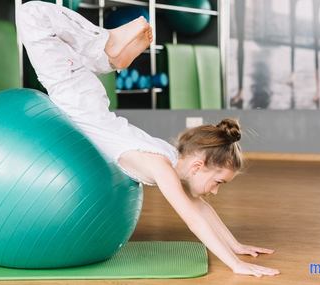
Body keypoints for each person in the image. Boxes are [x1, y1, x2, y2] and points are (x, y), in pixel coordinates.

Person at [16, 1, 279, 277]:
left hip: (85, 99)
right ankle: (109, 46)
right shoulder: (162, 167)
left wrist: (235, 246)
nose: (215, 191)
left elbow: (201, 209)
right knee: (30, 13)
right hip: (76, 98)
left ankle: (109, 53)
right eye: (218, 182)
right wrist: (235, 265)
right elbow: (193, 220)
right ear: (198, 166)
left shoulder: (175, 161)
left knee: (38, 22)